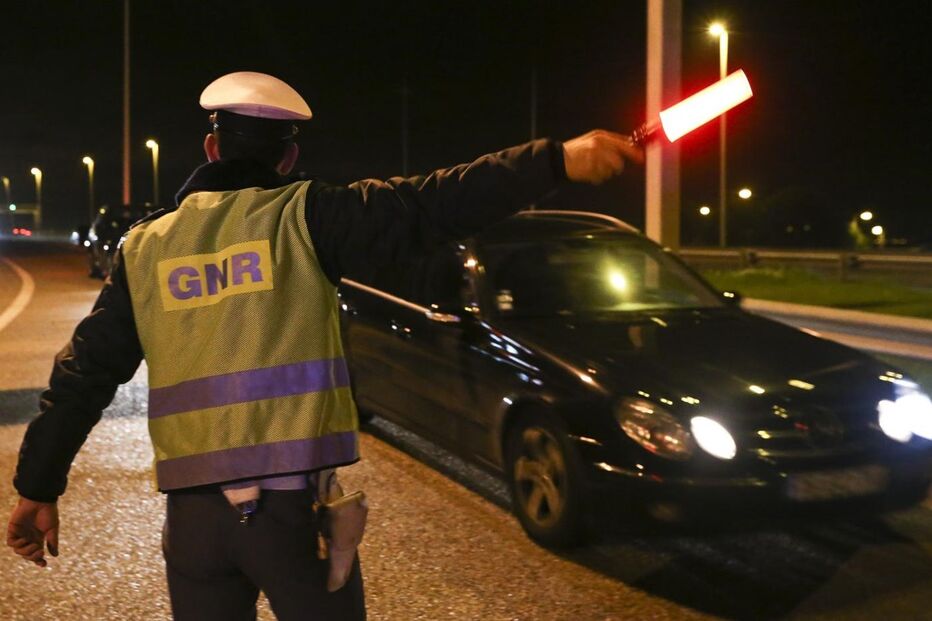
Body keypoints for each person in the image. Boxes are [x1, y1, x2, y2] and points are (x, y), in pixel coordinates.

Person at [6, 71, 643, 620]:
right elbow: (435, 203)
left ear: (210, 145)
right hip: (290, 521)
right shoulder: (309, 217)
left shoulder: (145, 248)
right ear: (286, 157)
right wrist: (556, 160)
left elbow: (84, 374)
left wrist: (38, 486)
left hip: (194, 524)